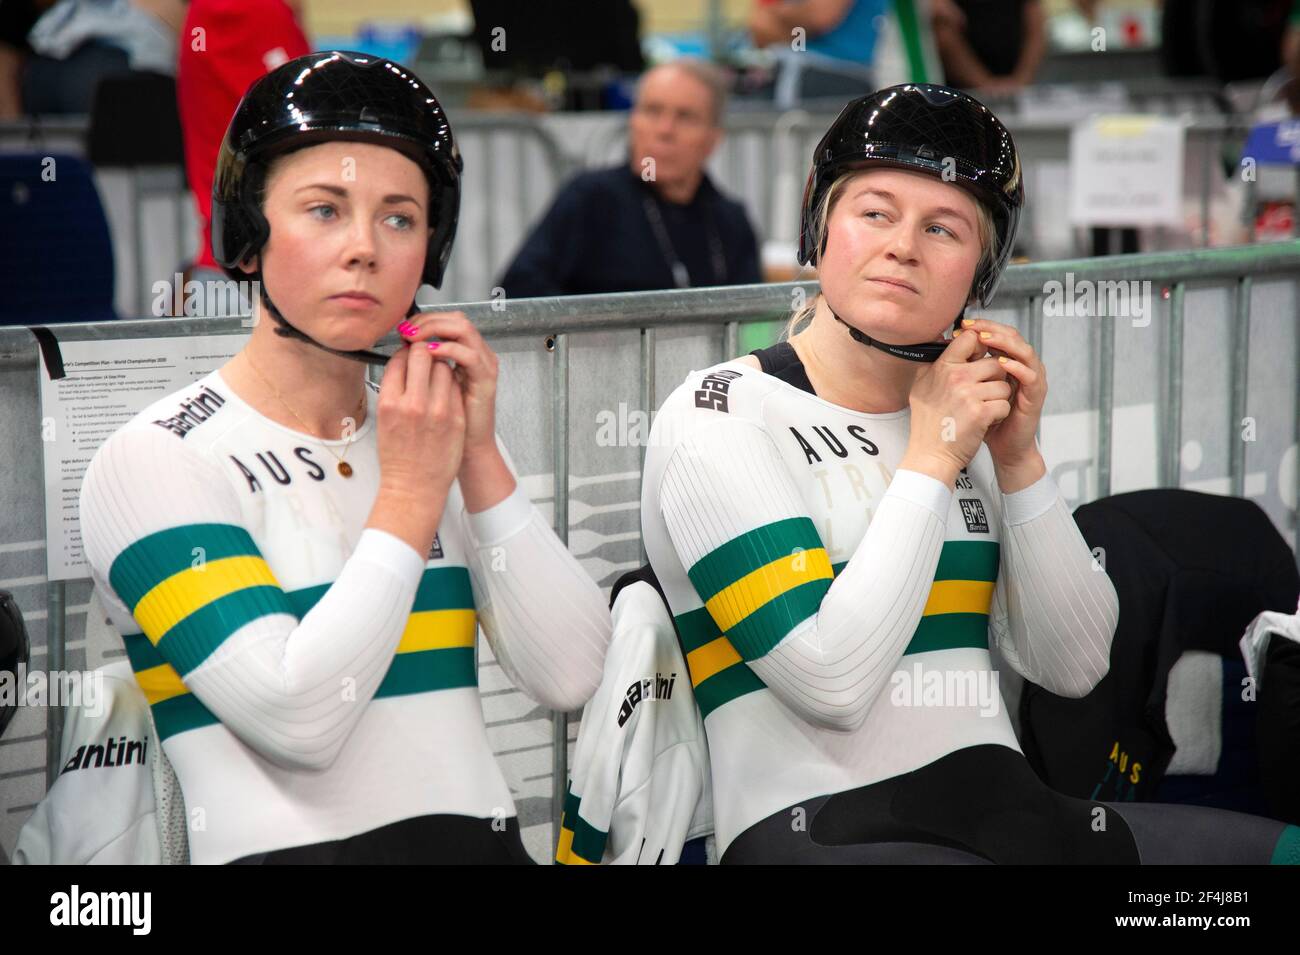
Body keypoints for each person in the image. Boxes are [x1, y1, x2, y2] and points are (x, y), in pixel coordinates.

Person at [639, 83, 1300, 863]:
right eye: (875, 211)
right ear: (820, 223)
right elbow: (830, 681)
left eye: (943, 227)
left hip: (1009, 820)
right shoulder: (720, 414)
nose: (904, 246)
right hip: (810, 831)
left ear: (981, 269)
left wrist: (1018, 461)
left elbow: (1075, 664)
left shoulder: (971, 422)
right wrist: (934, 454)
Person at [77, 50, 612, 865]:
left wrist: (476, 459)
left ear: (430, 250)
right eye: (324, 210)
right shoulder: (154, 459)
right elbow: (299, 719)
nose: (364, 247)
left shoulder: (432, 434)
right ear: (247, 238)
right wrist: (409, 489)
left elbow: (574, 675)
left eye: (399, 217)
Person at [498, 59, 761, 297]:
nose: (665, 130)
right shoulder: (591, 199)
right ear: (633, 121)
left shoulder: (729, 221)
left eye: (685, 117)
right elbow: (518, 292)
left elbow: (753, 322)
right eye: (652, 111)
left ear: (713, 138)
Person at [175, 0, 310, 316]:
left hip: (237, 272)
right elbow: (302, 130)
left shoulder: (218, 9)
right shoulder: (247, 9)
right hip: (260, 279)